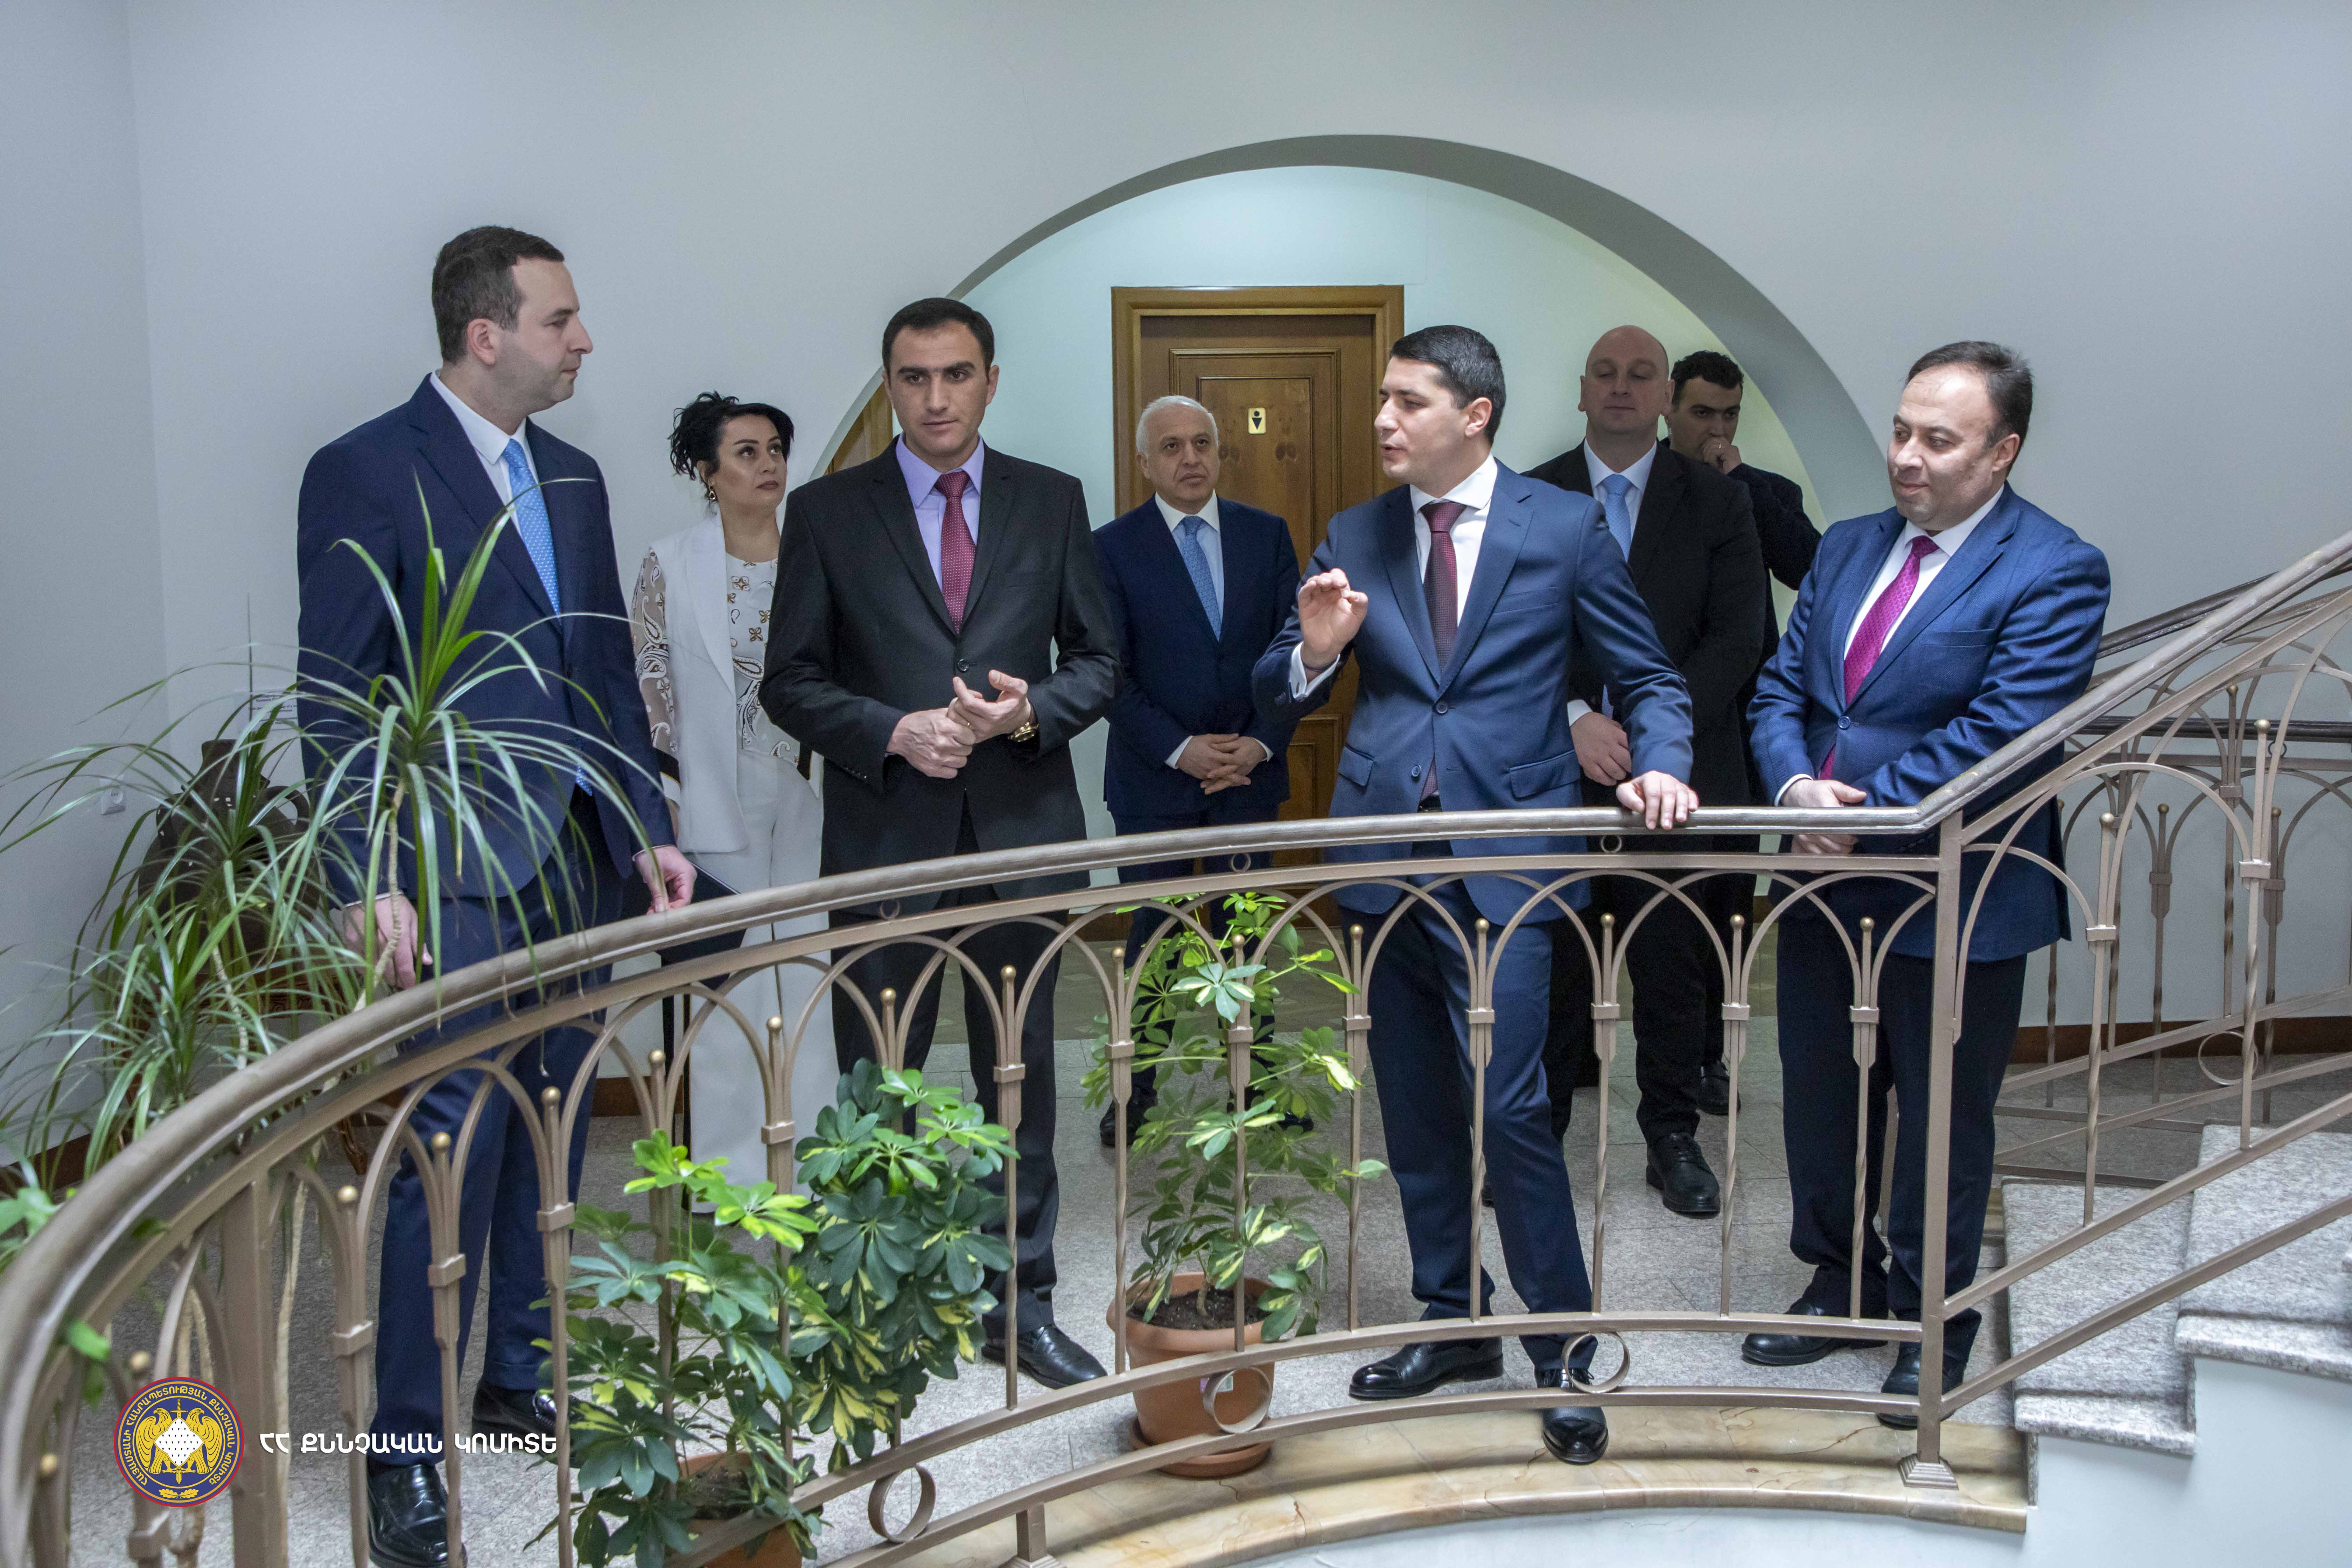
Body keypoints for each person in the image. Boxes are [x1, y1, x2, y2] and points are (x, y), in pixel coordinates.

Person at [296, 225, 694, 1568]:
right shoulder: (363, 470)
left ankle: (517, 1382)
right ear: (487, 334)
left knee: (554, 1127)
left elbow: (602, 676)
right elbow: (337, 695)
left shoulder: (574, 477)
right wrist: (367, 879)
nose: (584, 341)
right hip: (448, 866)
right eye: (561, 320)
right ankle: (406, 1453)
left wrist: (645, 828)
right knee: (445, 1153)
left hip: (575, 862)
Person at [1254, 325, 1696, 1466]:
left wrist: (1662, 762)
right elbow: (1277, 688)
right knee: (1413, 1110)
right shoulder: (1356, 532)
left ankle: (1562, 1347)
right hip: (1384, 860)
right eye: (1383, 399)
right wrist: (1313, 653)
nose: (1383, 420)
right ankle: (1452, 1323)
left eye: (1409, 401)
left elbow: (1649, 673)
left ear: (1476, 413)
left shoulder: (1563, 527)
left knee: (1512, 1110)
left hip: (1513, 860)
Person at [1741, 342, 2109, 1429]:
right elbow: (1781, 689)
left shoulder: (2057, 566)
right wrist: (1797, 789)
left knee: (1941, 1112)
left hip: (1957, 889)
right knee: (1821, 1091)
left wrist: (1866, 815)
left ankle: (1929, 1314)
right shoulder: (1849, 545)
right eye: (1902, 431)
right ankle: (1839, 1280)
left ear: (2003, 453)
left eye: (1938, 440)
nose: (1907, 456)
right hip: (1820, 880)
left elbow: (2007, 730)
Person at [761, 298, 1119, 1390]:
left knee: (1023, 1080)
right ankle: (881, 1305)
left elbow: (1100, 662)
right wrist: (891, 731)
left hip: (1019, 839)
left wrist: (1027, 714)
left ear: (990, 382)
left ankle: (1024, 1302)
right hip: (887, 845)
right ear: (889, 388)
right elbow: (789, 682)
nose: (936, 398)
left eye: (956, 374)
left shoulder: (1052, 499)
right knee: (880, 1080)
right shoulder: (827, 512)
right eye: (914, 378)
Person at [1527, 327, 1765, 1216]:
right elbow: (1505, 636)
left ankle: (1672, 1137)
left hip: (1679, 774)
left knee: (1673, 967)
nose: (1621, 387)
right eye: (1605, 373)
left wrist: (1648, 734)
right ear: (1582, 390)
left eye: (1640, 375)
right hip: (1557, 771)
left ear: (1666, 396)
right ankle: (1538, 1134)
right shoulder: (1530, 495)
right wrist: (1575, 718)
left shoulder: (1718, 501)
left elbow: (1738, 637)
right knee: (1551, 968)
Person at [632, 392, 838, 1183]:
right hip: (713, 789)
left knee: (812, 964)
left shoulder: (817, 550)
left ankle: (816, 1152)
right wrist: (664, 801)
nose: (768, 465)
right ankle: (731, 1164)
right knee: (729, 975)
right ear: (706, 471)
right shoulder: (670, 561)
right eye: (747, 452)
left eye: (776, 449)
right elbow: (650, 683)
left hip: (808, 785)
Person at [1093, 394, 1300, 1144]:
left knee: (1247, 935)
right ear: (1144, 463)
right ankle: (1134, 1090)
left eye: (1202, 443)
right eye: (1172, 446)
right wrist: (1182, 748)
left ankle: (1259, 1083)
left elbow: (1298, 649)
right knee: (1155, 937)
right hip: (1155, 780)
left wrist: (1261, 742)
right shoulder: (1109, 548)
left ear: (1219, 451)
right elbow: (1106, 671)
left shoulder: (1265, 535)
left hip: (1247, 775)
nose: (1190, 458)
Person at [1665, 349, 1824, 1114]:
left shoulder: (1765, 492)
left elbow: (1813, 571)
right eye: (1702, 412)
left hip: (1738, 719)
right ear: (1670, 409)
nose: (1717, 428)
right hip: (1651, 713)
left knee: (1726, 898)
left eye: (1729, 414)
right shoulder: (1640, 486)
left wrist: (1742, 486)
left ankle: (1711, 1057)